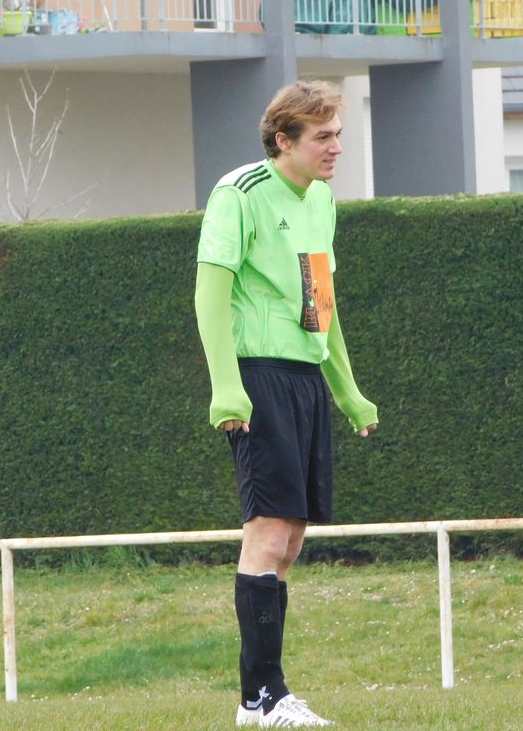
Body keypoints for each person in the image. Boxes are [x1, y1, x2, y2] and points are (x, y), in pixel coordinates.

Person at [194, 80, 379, 728]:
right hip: (258, 375)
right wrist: (226, 384)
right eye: (323, 137)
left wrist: (346, 389)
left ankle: (262, 698)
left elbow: (320, 299)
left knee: (291, 539)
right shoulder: (239, 193)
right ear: (284, 140)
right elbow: (209, 294)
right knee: (268, 533)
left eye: (338, 135)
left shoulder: (321, 199)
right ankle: (264, 697)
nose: (336, 148)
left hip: (304, 378)